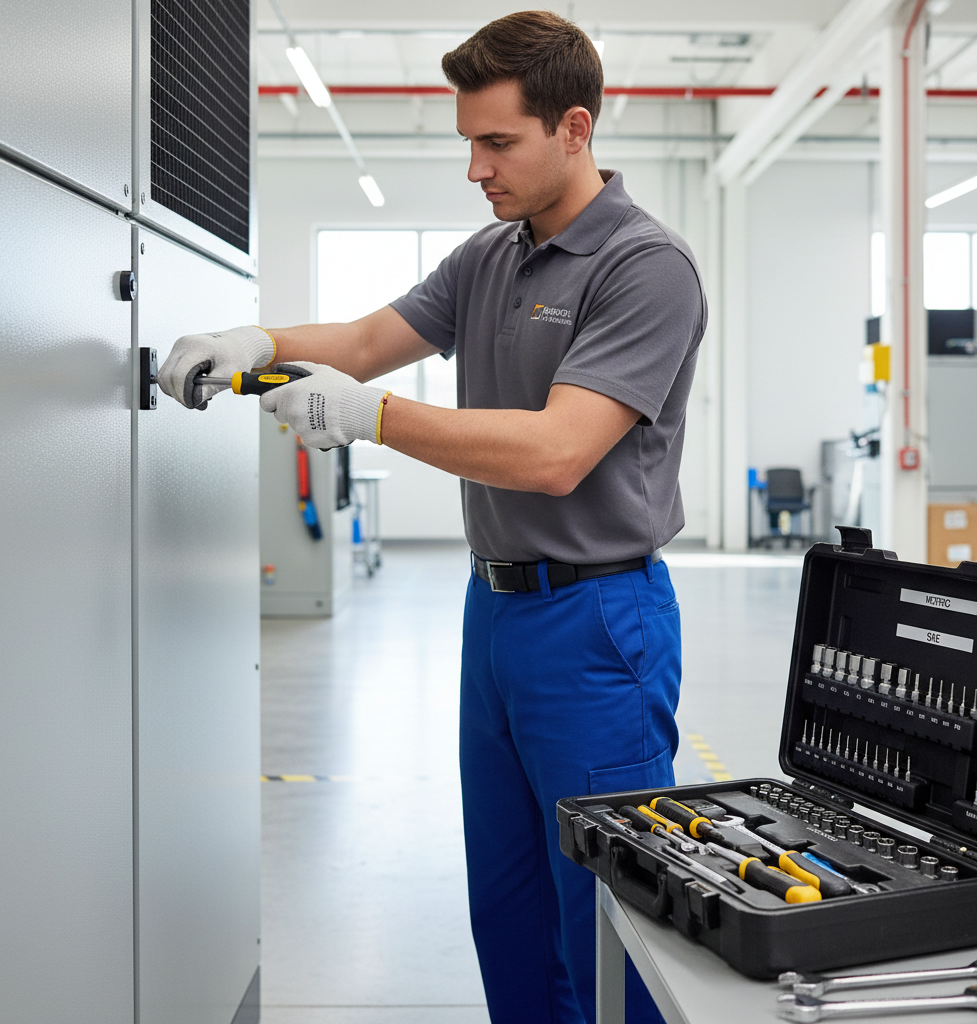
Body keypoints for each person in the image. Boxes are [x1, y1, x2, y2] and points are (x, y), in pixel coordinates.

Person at [159, 11, 705, 1023]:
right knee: (507, 902)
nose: (475, 168)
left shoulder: (644, 266)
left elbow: (557, 452)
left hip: (596, 623)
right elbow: (369, 340)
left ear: (574, 128)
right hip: (492, 612)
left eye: (497, 142)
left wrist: (373, 418)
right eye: (468, 141)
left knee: (608, 911)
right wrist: (255, 341)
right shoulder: (490, 255)